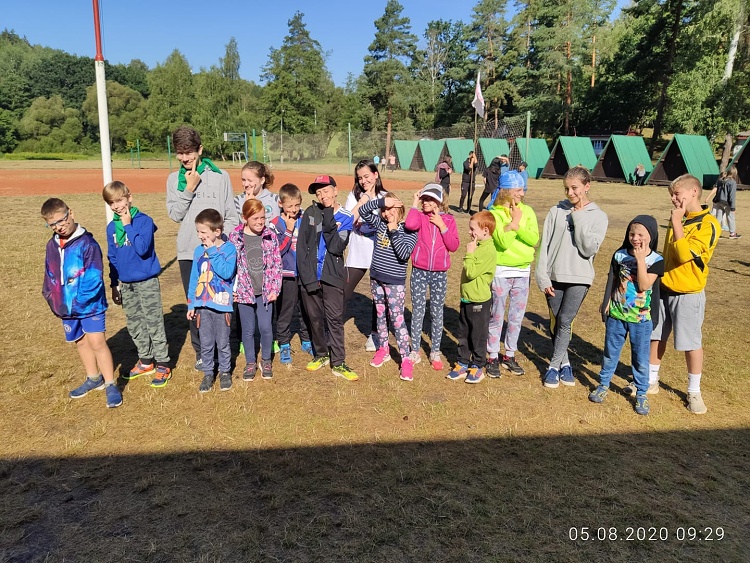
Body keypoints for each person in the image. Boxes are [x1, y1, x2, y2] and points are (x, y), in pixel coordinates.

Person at [166, 126, 238, 371]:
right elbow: (175, 214)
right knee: (197, 302)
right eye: (180, 153)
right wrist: (189, 188)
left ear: (200, 150)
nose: (184, 158)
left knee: (219, 300)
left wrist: (222, 245)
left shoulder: (221, 176)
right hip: (190, 252)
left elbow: (230, 214)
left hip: (218, 252)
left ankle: (223, 349)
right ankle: (202, 352)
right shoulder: (173, 180)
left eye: (188, 152)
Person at [649, 174, 720, 414]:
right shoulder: (678, 217)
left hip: (688, 293)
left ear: (693, 192)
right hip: (664, 288)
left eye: (677, 194)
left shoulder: (709, 224)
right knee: (656, 336)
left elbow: (683, 255)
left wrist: (677, 222)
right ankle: (650, 380)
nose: (673, 198)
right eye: (672, 194)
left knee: (691, 343)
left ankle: (694, 391)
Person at [41, 198, 122, 408]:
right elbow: (50, 274)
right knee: (81, 342)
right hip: (65, 307)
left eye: (61, 220)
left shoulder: (88, 244)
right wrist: (51, 297)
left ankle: (110, 384)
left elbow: (94, 278)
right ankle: (93, 378)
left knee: (97, 343)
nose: (59, 227)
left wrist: (78, 302)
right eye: (52, 224)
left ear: (71, 213)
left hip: (90, 306)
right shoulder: (51, 245)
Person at [536, 166, 609, 388]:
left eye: (575, 188)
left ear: (587, 186)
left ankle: (552, 367)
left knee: (566, 320)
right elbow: (544, 246)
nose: (570, 193)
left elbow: (588, 249)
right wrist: (542, 276)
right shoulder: (555, 211)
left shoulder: (599, 216)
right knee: (558, 321)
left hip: (580, 277)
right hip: (553, 276)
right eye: (566, 188)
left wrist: (578, 217)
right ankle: (565, 364)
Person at [590, 215, 664, 415]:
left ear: (651, 236)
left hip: (641, 320)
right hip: (617, 316)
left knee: (640, 358)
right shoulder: (619, 255)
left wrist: (640, 260)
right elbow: (612, 280)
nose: (635, 238)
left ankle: (641, 393)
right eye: (632, 234)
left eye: (640, 234)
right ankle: (603, 385)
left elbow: (644, 285)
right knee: (610, 353)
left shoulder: (657, 260)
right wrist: (606, 302)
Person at [103, 181, 171, 388]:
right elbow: (112, 257)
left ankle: (163, 364)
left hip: (146, 281)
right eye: (112, 203)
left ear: (129, 197)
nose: (116, 206)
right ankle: (146, 361)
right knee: (135, 324)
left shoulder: (144, 221)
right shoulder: (111, 228)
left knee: (153, 322)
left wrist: (127, 225)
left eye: (120, 200)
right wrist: (114, 284)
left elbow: (142, 248)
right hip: (126, 284)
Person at [297, 175, 358, 381]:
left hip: (332, 276)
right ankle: (321, 354)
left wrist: (329, 214)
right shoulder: (311, 213)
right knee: (314, 318)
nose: (322, 195)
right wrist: (306, 277)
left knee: (334, 319)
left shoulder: (346, 217)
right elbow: (302, 246)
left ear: (335, 190)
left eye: (326, 190)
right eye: (318, 192)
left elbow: (336, 247)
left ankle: (338, 362)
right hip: (310, 277)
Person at [485, 171, 539, 378]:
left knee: (516, 317)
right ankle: (492, 355)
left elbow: (533, 239)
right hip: (501, 271)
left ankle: (509, 354)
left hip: (523, 272)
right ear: (506, 191)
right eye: (518, 190)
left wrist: (514, 225)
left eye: (522, 190)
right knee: (496, 315)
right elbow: (502, 241)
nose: (522, 194)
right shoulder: (494, 214)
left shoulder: (528, 211)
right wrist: (515, 221)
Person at [359, 193, 419, 381]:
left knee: (397, 319)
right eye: (384, 210)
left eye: (391, 209)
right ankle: (383, 349)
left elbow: (403, 254)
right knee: (380, 315)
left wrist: (393, 230)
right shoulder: (379, 224)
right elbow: (363, 211)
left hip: (394, 283)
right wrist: (381, 202)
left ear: (400, 208)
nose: (387, 213)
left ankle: (406, 358)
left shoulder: (409, 230)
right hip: (376, 278)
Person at [405, 184, 460, 370]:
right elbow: (409, 224)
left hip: (439, 274)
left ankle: (435, 351)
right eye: (424, 199)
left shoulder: (449, 220)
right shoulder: (420, 217)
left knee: (437, 312)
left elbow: (453, 246)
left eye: (430, 199)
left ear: (439, 201)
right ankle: (415, 350)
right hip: (419, 271)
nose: (425, 202)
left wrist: (441, 225)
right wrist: (414, 203)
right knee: (418, 311)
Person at [230, 199, 281, 381]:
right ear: (244, 218)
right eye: (255, 219)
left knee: (266, 328)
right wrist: (231, 290)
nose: (260, 222)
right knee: (248, 330)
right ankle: (250, 362)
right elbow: (230, 266)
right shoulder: (235, 237)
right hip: (244, 292)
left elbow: (276, 264)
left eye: (262, 218)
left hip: (266, 292)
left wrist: (275, 289)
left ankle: (266, 360)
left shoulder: (270, 236)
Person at [187, 208, 237, 393]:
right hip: (202, 306)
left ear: (217, 231)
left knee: (223, 343)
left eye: (203, 232)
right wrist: (191, 303)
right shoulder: (198, 251)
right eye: (198, 231)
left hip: (222, 306)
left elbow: (226, 272)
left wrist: (213, 252)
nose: (200, 236)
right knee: (206, 343)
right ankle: (208, 373)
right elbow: (194, 278)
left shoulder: (229, 249)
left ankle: (225, 372)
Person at [447, 211, 497, 384]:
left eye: (472, 229)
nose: (469, 232)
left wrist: (469, 253)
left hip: (479, 301)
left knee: (477, 335)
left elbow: (471, 272)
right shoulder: (479, 246)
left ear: (485, 230)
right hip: (467, 298)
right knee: (464, 333)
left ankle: (477, 365)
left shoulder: (488, 250)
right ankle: (462, 362)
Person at [269, 184, 314, 364]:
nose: (294, 210)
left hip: (304, 273)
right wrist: (288, 230)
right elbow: (277, 252)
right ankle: (284, 343)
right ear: (281, 204)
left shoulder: (305, 218)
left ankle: (306, 340)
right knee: (285, 310)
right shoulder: (274, 224)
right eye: (290, 206)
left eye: (297, 205)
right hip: (286, 275)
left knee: (305, 308)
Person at [344, 160, 386, 352]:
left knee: (379, 296)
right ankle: (332, 329)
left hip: (379, 252)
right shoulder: (354, 196)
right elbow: (348, 221)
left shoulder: (385, 197)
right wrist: (363, 201)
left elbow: (386, 223)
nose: (363, 181)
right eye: (360, 178)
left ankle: (375, 334)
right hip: (358, 251)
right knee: (343, 291)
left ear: (376, 175)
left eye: (366, 176)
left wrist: (365, 222)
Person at [234, 161, 279, 227]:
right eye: (243, 180)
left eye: (250, 180)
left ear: (262, 180)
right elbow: (239, 226)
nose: (246, 184)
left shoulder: (275, 200)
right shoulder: (237, 201)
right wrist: (247, 205)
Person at [711, 166, 741, 239]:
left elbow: (717, 191)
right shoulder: (732, 182)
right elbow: (732, 195)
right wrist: (733, 207)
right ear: (734, 173)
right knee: (731, 217)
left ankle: (716, 233)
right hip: (726, 203)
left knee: (718, 218)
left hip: (719, 201)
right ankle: (732, 234)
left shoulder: (721, 180)